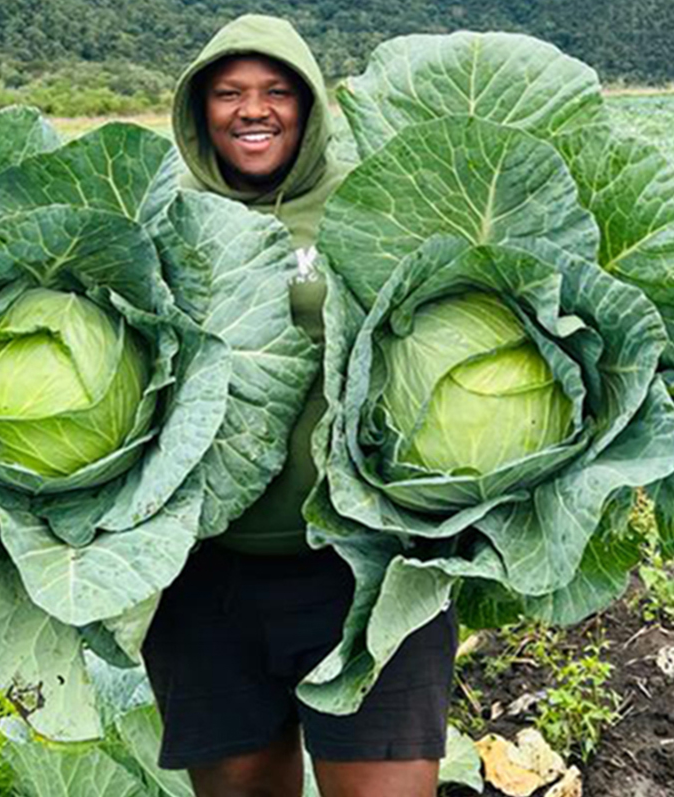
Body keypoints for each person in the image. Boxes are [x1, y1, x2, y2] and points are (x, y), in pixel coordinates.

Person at [139, 14, 458, 797]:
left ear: (310, 105)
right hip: (205, 575)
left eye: (277, 90)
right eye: (229, 93)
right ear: (198, 109)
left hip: (371, 565)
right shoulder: (155, 218)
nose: (254, 109)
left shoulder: (377, 199)